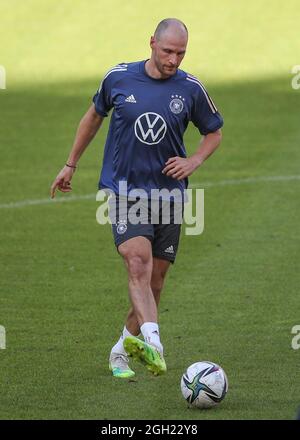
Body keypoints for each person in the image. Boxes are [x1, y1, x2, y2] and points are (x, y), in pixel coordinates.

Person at [50, 18, 223, 379]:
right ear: (151, 44)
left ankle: (120, 350)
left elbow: (214, 132)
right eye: (167, 51)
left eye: (180, 53)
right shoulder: (119, 78)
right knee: (137, 263)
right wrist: (70, 164)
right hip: (123, 189)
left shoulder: (191, 89)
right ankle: (154, 344)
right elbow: (93, 117)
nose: (173, 59)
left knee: (154, 283)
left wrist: (194, 160)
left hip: (168, 194)